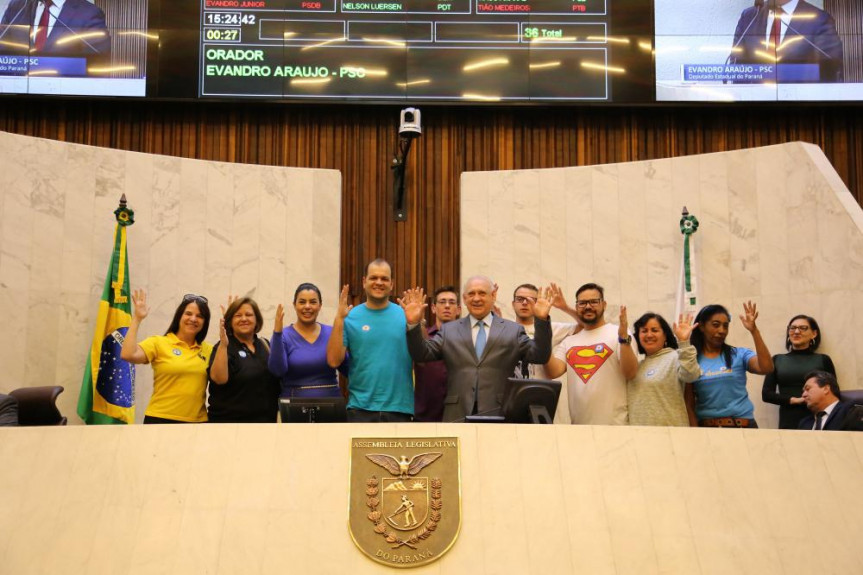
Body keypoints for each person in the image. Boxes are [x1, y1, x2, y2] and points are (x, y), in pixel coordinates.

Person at [403, 276, 552, 422]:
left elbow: (539, 355)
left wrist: (541, 320)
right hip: (457, 412)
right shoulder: (449, 330)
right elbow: (422, 354)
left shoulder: (512, 330)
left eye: (482, 293)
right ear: (464, 298)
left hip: (499, 412)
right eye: (471, 294)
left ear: (493, 295)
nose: (476, 298)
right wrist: (413, 324)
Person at [326, 259, 413, 422]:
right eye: (373, 278)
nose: (379, 282)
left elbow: (422, 356)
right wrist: (339, 319)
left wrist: (416, 322)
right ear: (364, 281)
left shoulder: (405, 315)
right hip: (360, 409)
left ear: (392, 284)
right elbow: (333, 360)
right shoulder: (349, 316)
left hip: (399, 409)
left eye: (384, 279)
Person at [544, 283, 638, 425]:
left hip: (616, 427)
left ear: (604, 304)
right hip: (579, 428)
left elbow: (630, 373)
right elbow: (553, 372)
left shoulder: (619, 334)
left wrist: (624, 339)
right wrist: (542, 328)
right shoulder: (569, 341)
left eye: (594, 302)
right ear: (576, 307)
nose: (588, 306)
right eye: (582, 303)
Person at [121, 291, 212, 423]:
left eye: (200, 316)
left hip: (198, 423)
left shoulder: (209, 350)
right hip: (160, 419)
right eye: (188, 313)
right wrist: (137, 318)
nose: (193, 319)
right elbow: (128, 354)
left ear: (205, 322)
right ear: (179, 316)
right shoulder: (159, 342)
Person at [689, 302, 774, 428]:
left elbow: (766, 368)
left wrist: (754, 331)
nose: (722, 331)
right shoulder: (691, 360)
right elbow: (689, 404)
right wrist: (696, 433)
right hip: (708, 430)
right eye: (716, 325)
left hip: (744, 427)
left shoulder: (739, 354)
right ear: (701, 326)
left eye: (725, 326)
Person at [511, 282, 579, 424]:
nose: (524, 303)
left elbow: (584, 325)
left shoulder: (550, 327)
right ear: (513, 304)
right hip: (511, 400)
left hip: (541, 402)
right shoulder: (504, 328)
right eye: (520, 299)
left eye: (531, 300)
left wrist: (564, 308)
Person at [729, 0, 843, 83]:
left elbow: (830, 73)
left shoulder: (819, 19)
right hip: (754, 108)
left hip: (801, 109)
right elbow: (738, 68)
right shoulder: (749, 17)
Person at [207, 297, 280, 423]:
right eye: (238, 315)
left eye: (249, 315)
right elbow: (218, 379)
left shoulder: (265, 345)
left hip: (265, 426)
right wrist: (224, 344)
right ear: (230, 321)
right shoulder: (224, 347)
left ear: (257, 320)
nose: (244, 319)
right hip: (228, 427)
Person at [269, 283, 347, 399]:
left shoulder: (332, 332)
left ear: (320, 305)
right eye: (302, 302)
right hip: (294, 408)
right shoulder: (284, 335)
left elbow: (348, 369)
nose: (307, 306)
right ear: (294, 305)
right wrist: (277, 334)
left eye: (313, 302)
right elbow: (277, 371)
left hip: (331, 407)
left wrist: (343, 323)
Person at [762, 315, 836, 429]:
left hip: (818, 418)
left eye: (803, 328)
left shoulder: (823, 359)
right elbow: (766, 394)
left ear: (814, 334)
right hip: (788, 419)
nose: (796, 331)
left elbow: (834, 393)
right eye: (792, 328)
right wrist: (793, 400)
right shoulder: (777, 359)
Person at [627, 313, 700, 427]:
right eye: (644, 331)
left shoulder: (676, 357)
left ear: (665, 335)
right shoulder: (636, 367)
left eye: (655, 330)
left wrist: (684, 343)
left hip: (671, 436)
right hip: (638, 437)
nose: (649, 335)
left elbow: (691, 375)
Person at [0, 0, 111, 66]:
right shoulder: (17, 7)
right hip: (16, 97)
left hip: (65, 99)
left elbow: (99, 62)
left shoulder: (88, 13)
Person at [413, 285, 461, 422]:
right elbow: (421, 352)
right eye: (442, 302)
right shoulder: (424, 334)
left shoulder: (467, 338)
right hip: (425, 413)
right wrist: (418, 320)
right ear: (433, 308)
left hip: (458, 413)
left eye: (452, 302)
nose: (447, 306)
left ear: (458, 310)